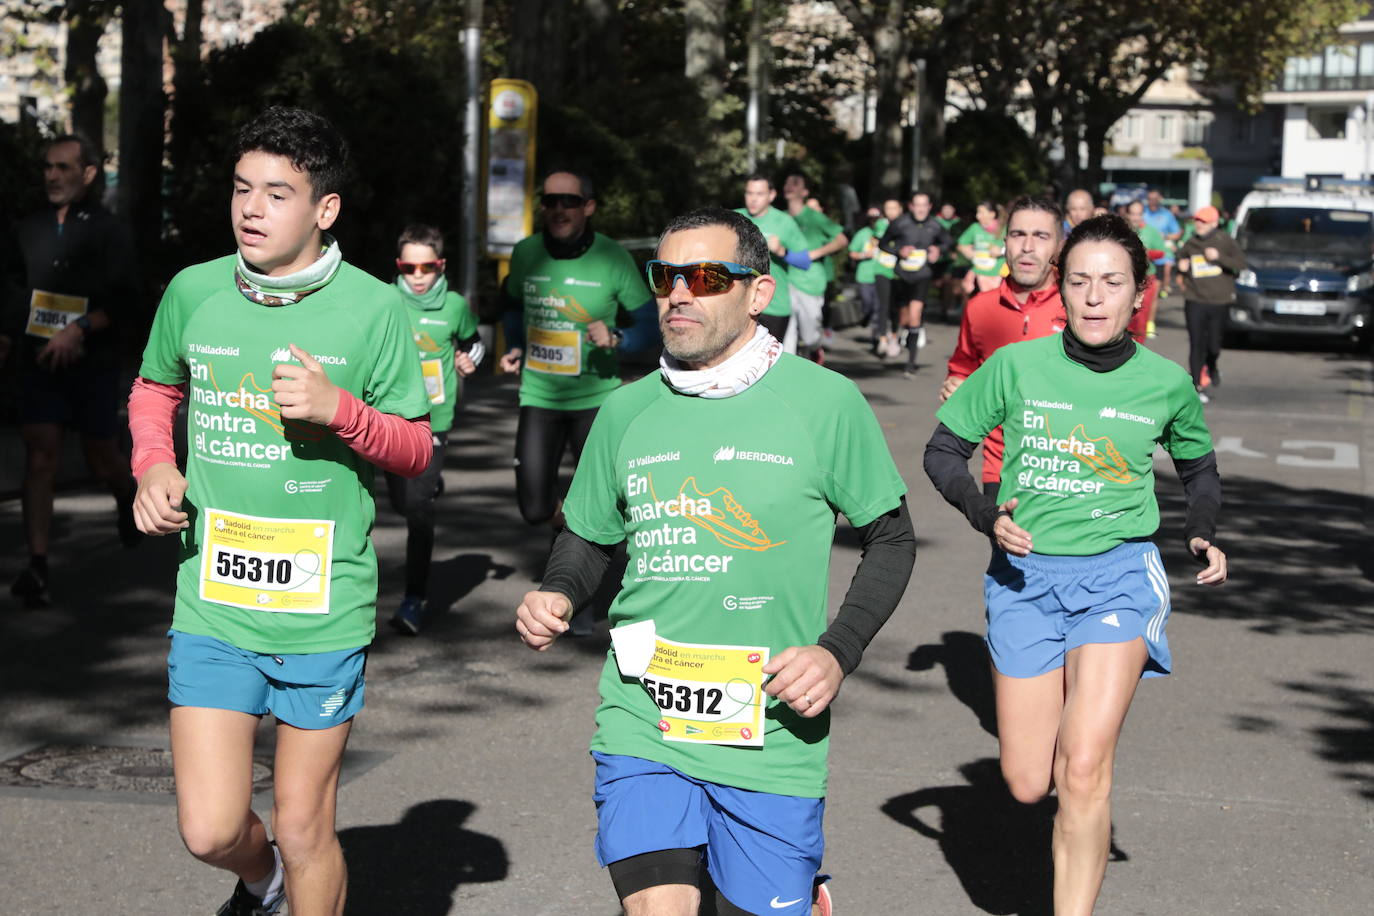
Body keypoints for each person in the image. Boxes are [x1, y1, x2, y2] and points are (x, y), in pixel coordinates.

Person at [515, 207, 914, 916]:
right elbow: (588, 535)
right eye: (665, 275)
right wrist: (559, 591)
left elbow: (892, 538)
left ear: (758, 293)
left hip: (772, 730)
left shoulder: (824, 404)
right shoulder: (626, 411)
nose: (678, 293)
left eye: (704, 276)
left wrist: (836, 653)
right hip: (645, 717)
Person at [128, 106, 433, 916]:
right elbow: (157, 387)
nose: (251, 210)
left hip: (321, 607)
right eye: (241, 189)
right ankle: (259, 886)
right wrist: (154, 463)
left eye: (277, 193)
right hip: (215, 599)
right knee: (209, 829)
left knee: (304, 828)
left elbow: (415, 449)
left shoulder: (373, 310)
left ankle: (287, 875)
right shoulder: (194, 289)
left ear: (324, 209)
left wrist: (341, 409)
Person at [924, 213, 1227, 916]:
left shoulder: (1164, 381)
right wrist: (987, 513)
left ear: (1138, 295)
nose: (1094, 297)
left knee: (1084, 767)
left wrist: (1203, 531)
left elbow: (1199, 467)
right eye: (1081, 281)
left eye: (1112, 283)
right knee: (1030, 780)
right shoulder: (1018, 366)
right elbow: (943, 451)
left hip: (1118, 575)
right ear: (1060, 287)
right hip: (1025, 584)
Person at [4, 134, 141, 608]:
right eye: (48, 167)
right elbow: (13, 293)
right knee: (39, 457)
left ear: (87, 173)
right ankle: (36, 565)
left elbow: (125, 302)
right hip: (38, 363)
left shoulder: (109, 230)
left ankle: (125, 494)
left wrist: (79, 328)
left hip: (91, 363)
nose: (52, 176)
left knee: (101, 455)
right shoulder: (28, 227)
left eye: (63, 168)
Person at [498, 170, 657, 532]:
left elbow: (651, 325)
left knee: (602, 505)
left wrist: (617, 337)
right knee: (535, 509)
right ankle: (566, 526)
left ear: (588, 207)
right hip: (539, 395)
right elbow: (510, 305)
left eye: (568, 201)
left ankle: (573, 568)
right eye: (550, 201)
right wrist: (516, 346)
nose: (558, 209)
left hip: (596, 399)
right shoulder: (526, 253)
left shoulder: (612, 257)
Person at [386, 223, 484, 634]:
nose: (419, 275)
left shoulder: (455, 306)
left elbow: (475, 341)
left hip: (434, 420)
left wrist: (470, 360)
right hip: (389, 418)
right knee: (401, 503)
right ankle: (425, 486)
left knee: (418, 509)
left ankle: (414, 599)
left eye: (427, 266)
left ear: (440, 265)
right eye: (410, 268)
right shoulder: (384, 301)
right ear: (400, 267)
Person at [941, 196, 1067, 497]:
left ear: (1059, 246)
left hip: (1072, 473)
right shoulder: (979, 308)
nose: (1027, 246)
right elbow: (963, 368)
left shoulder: (1081, 305)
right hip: (1001, 472)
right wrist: (956, 384)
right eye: (1017, 234)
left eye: (1041, 236)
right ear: (1005, 242)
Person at [878, 190, 952, 376]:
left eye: (924, 205)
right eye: (917, 205)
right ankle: (898, 333)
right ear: (911, 206)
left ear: (929, 207)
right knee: (904, 317)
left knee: (915, 314)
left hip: (922, 275)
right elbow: (883, 243)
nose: (920, 209)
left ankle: (911, 363)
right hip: (902, 275)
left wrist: (938, 250)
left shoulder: (935, 225)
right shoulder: (900, 223)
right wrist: (899, 251)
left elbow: (948, 242)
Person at [1175, 205, 1245, 403]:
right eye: (1196, 220)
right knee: (1197, 342)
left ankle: (1212, 365)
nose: (1198, 224)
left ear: (1214, 223)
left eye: (1203, 221)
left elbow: (1241, 265)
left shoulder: (1225, 240)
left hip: (1219, 301)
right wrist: (1181, 265)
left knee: (1213, 344)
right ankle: (1196, 385)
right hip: (1195, 299)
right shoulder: (1192, 242)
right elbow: (1180, 257)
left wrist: (1220, 258)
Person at [736, 173, 809, 353]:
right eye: (749, 193)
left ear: (772, 195)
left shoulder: (784, 222)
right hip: (738, 302)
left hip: (774, 305)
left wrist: (782, 251)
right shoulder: (734, 219)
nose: (753, 199)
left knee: (767, 361)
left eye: (759, 194)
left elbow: (805, 262)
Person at [782, 174, 848, 363]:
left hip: (809, 281)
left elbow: (842, 239)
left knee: (810, 335)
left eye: (796, 184)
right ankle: (790, 375)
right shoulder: (781, 218)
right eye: (787, 183)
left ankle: (815, 348)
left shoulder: (815, 218)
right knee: (787, 336)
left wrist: (814, 254)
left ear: (805, 192)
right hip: (783, 282)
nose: (790, 186)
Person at [1125, 200, 1166, 341]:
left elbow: (1162, 252)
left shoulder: (1151, 231)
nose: (1136, 217)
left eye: (1139, 214)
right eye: (1133, 214)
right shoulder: (1123, 231)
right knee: (1125, 316)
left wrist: (1146, 253)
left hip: (1146, 279)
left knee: (1141, 317)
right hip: (1125, 279)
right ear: (1128, 214)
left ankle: (1138, 351)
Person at [847, 205, 887, 343]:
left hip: (882, 274)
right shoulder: (862, 233)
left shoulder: (887, 232)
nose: (874, 221)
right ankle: (866, 317)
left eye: (877, 218)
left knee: (878, 307)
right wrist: (865, 255)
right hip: (864, 275)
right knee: (867, 304)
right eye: (871, 218)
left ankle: (876, 337)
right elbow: (851, 252)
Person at [957, 200, 1007, 296]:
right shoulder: (975, 227)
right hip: (979, 274)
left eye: (981, 212)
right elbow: (961, 244)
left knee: (995, 306)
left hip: (999, 275)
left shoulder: (1004, 229)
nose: (977, 216)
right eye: (977, 212)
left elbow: (1017, 250)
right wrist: (967, 251)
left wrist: (1001, 251)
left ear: (992, 214)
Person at [1142, 188, 1182, 306]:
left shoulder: (1167, 215)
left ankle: (1164, 286)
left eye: (1155, 198)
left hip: (1162, 246)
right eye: (1150, 199)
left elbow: (1177, 233)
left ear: (1160, 199)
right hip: (1145, 248)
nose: (1153, 201)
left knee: (1167, 265)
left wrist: (1165, 237)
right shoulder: (1142, 213)